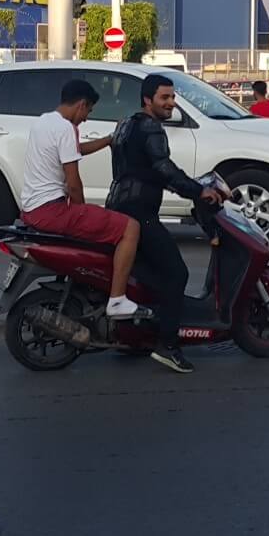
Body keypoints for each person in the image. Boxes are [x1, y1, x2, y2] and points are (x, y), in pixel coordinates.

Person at [107, 73, 224, 374]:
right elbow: (163, 169)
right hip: (139, 213)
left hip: (118, 205)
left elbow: (140, 169)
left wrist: (187, 185)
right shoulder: (151, 128)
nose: (171, 103)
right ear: (148, 100)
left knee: (149, 275)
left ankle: (139, 332)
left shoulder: (125, 124)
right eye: (165, 98)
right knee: (176, 274)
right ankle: (168, 346)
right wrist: (199, 191)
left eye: (173, 97)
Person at [20, 79, 141, 320]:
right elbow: (73, 183)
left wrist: (108, 140)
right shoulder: (65, 128)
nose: (86, 118)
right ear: (82, 105)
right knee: (131, 228)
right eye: (89, 111)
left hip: (32, 208)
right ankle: (117, 300)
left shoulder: (44, 122)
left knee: (100, 220)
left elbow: (76, 149)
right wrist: (83, 211)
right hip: (52, 210)